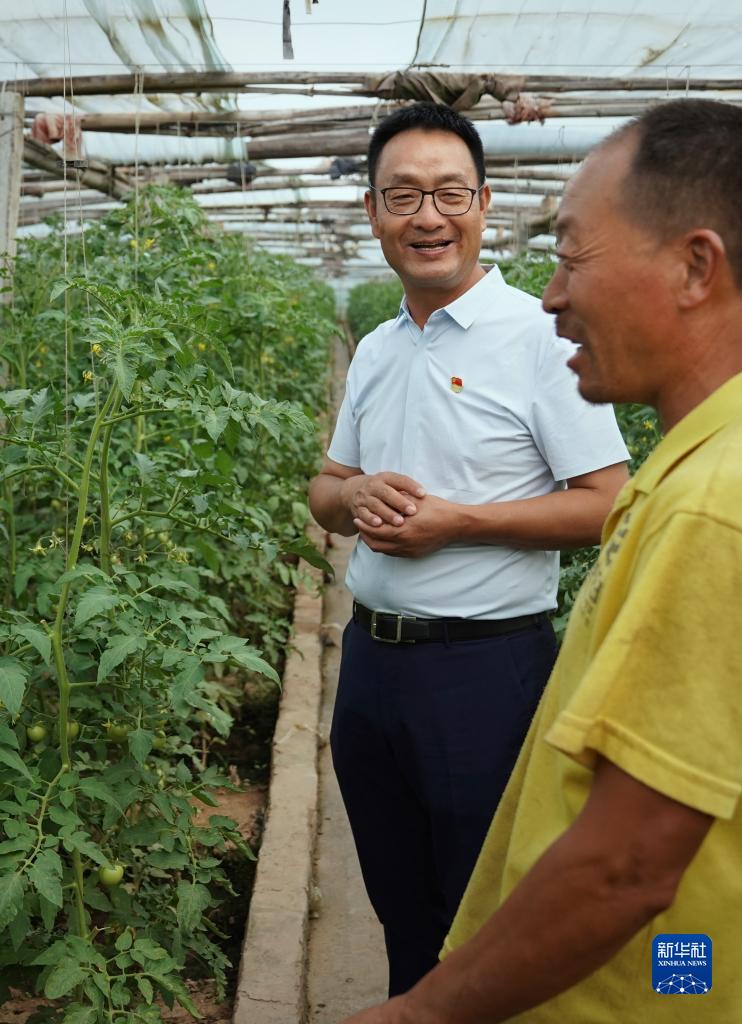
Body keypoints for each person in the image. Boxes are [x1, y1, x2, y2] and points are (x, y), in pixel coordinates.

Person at [339, 96, 742, 1023]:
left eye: (571, 259)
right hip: (672, 951)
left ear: (695, 267)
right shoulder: (689, 470)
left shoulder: (712, 507)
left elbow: (633, 864)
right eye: (401, 196)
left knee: (687, 957)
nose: (553, 296)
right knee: (424, 905)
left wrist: (428, 1012)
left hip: (670, 982)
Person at [308, 103, 629, 996]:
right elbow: (324, 492)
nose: (427, 216)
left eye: (450, 192)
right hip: (371, 668)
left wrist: (462, 522)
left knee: (488, 920)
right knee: (401, 909)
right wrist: (354, 495)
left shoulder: (542, 338)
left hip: (487, 673)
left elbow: (608, 504)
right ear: (373, 211)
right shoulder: (376, 347)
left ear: (484, 202)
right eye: (402, 195)